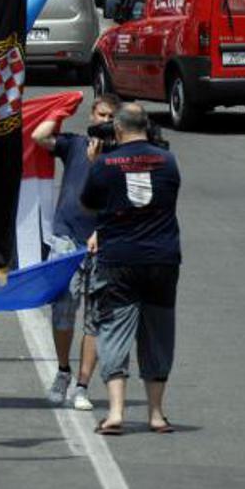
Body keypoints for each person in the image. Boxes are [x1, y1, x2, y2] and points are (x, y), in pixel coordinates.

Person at [80, 103, 182, 437]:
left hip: (119, 259)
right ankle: (156, 414)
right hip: (162, 259)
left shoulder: (105, 164)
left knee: (113, 332)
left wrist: (95, 165)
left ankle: (115, 413)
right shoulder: (168, 160)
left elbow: (89, 203)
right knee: (158, 333)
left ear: (118, 130)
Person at [31, 93, 120, 410]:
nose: (106, 122)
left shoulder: (122, 155)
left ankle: (82, 386)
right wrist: (59, 109)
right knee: (64, 309)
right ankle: (63, 372)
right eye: (101, 115)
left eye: (111, 117)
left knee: (95, 318)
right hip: (66, 238)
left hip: (102, 241)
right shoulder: (75, 144)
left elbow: (119, 202)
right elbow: (39, 137)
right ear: (92, 116)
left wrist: (101, 165)